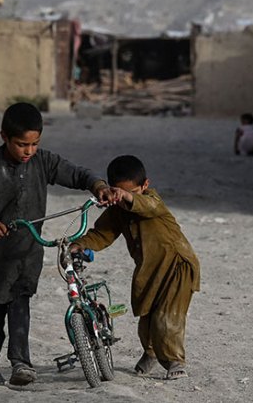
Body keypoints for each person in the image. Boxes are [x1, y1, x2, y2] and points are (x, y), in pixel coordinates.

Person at [0, 102, 118, 388]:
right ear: (3, 137)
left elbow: (77, 173)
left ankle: (21, 363)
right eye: (22, 145)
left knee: (20, 305)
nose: (28, 151)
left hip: (25, 252)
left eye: (34, 144)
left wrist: (97, 185)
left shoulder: (43, 162)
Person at [72, 155, 200, 380]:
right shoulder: (117, 211)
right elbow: (102, 234)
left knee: (167, 319)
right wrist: (80, 244)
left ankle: (174, 360)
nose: (123, 201)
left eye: (131, 192)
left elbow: (147, 206)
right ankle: (151, 353)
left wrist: (128, 196)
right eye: (118, 194)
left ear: (145, 185)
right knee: (146, 318)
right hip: (150, 271)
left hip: (177, 266)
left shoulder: (152, 199)